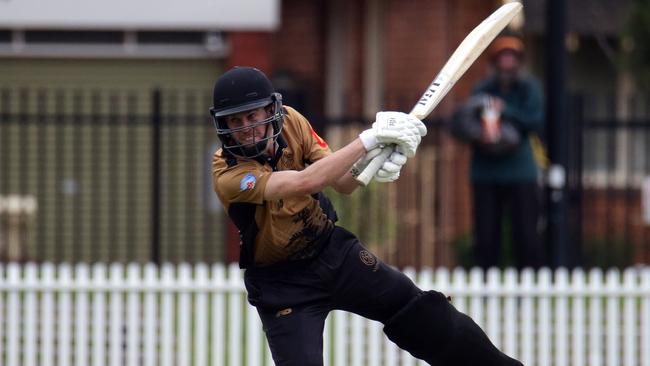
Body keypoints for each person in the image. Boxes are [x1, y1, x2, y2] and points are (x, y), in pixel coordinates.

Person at [211, 66, 523, 365]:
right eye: (235, 121)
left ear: (270, 111)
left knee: (421, 311)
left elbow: (343, 182)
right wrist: (368, 139)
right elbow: (305, 182)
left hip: (332, 251)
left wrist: (376, 158)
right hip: (283, 285)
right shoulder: (227, 172)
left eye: (251, 116)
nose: (246, 130)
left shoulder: (293, 122)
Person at [452, 35, 545, 270]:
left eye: (511, 58)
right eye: (502, 58)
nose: (506, 63)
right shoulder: (482, 89)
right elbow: (462, 124)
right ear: (495, 62)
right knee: (485, 235)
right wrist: (478, 135)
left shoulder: (529, 88)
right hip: (486, 171)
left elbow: (534, 121)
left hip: (519, 171)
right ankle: (486, 286)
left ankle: (527, 285)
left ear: (518, 62)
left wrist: (506, 110)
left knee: (525, 235)